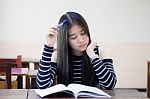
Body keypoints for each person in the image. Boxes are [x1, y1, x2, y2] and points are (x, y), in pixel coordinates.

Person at [36, 12, 117, 89]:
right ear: (65, 40)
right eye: (73, 37)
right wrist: (48, 46)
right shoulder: (57, 56)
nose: (81, 40)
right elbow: (43, 85)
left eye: (83, 33)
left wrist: (93, 56)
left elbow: (110, 85)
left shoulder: (101, 53)